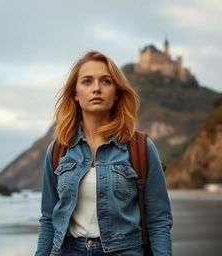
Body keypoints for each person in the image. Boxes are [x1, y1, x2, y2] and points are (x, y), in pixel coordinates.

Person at [34, 51, 173, 256]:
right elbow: (48, 219)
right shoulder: (57, 150)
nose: (96, 88)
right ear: (75, 93)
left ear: (116, 92)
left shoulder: (141, 147)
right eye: (87, 81)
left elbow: (159, 220)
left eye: (106, 81)